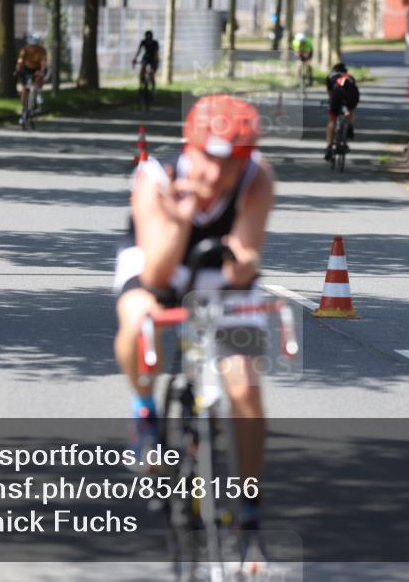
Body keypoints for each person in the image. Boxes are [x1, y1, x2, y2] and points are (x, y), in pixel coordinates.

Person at [113, 94, 274, 535]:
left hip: (220, 273)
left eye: (233, 164)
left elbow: (243, 266)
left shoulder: (257, 179)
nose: (219, 175)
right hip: (156, 261)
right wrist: (182, 217)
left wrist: (242, 264)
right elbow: (158, 273)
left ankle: (250, 502)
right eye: (209, 161)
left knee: (244, 386)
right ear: (189, 147)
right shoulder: (154, 178)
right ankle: (145, 409)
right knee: (136, 324)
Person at [324, 63, 360, 161]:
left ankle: (329, 147)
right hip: (353, 95)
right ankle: (349, 125)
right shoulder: (350, 77)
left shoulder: (330, 77)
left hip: (337, 94)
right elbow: (354, 89)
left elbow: (331, 94)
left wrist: (332, 103)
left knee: (332, 119)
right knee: (349, 109)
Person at [16, 32, 47, 123]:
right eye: (31, 46)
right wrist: (17, 69)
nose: (33, 48)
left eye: (35, 46)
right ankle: (24, 109)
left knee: (39, 78)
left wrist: (41, 72)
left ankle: (39, 93)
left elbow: (43, 63)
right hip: (27, 69)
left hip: (37, 68)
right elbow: (20, 60)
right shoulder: (25, 49)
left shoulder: (42, 50)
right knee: (24, 89)